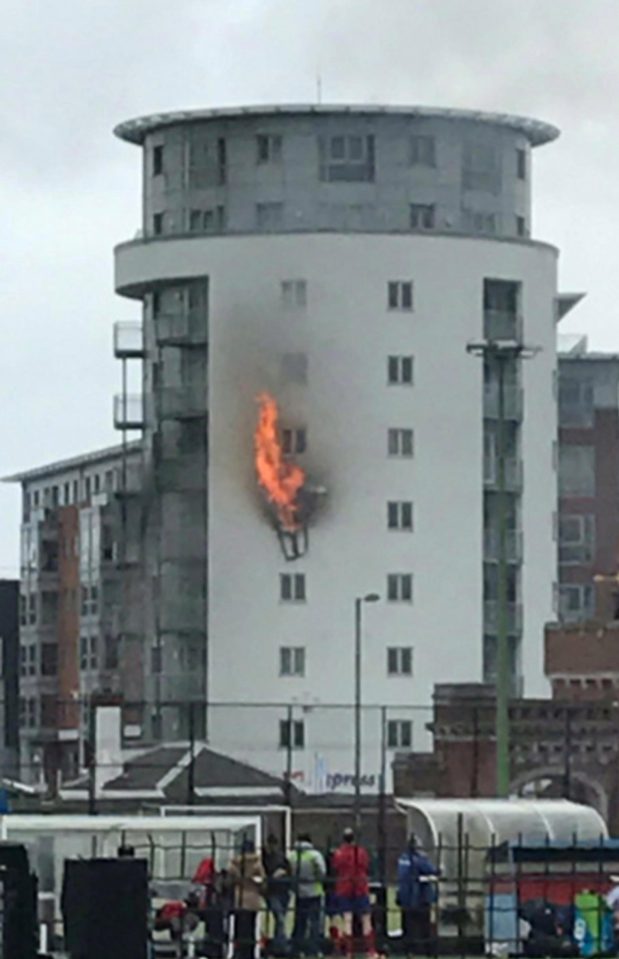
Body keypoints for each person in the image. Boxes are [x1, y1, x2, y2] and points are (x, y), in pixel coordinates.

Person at [331, 828, 377, 958]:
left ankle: (348, 952)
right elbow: (366, 865)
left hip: (344, 887)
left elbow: (336, 867)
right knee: (366, 919)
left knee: (347, 919)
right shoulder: (361, 852)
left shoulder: (339, 853)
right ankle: (371, 951)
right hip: (360, 887)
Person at [396, 834, 438, 957]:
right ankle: (428, 951)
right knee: (424, 927)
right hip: (418, 899)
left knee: (407, 927)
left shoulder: (402, 859)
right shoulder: (418, 859)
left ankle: (409, 951)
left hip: (405, 899)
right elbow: (431, 870)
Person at [288, 832, 326, 957]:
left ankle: (296, 948)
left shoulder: (292, 855)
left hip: (299, 892)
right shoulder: (314, 855)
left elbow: (289, 872)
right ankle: (313, 949)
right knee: (315, 922)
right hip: (315, 891)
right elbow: (322, 871)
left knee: (300, 921)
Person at [228, 837, 266, 959]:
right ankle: (250, 953)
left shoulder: (234, 864)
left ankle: (238, 952)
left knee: (239, 928)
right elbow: (263, 883)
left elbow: (229, 881)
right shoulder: (257, 864)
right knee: (251, 928)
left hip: (239, 898)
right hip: (253, 899)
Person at [262, 833, 291, 955]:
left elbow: (289, 870)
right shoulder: (266, 858)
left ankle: (277, 944)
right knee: (280, 919)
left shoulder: (280, 857)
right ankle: (281, 945)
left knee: (280, 919)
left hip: (282, 891)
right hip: (273, 891)